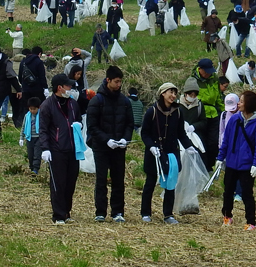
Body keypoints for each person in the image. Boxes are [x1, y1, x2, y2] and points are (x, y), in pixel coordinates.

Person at [140, 82, 195, 224]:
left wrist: (189, 147)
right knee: (150, 182)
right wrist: (151, 146)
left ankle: (168, 214)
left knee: (171, 183)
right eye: (170, 92)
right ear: (163, 93)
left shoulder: (177, 112)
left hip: (172, 153)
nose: (173, 95)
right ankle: (145, 212)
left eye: (175, 93)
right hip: (155, 153)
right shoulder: (151, 112)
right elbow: (144, 133)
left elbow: (181, 133)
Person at [86, 65, 134, 222]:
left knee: (118, 180)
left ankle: (117, 211)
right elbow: (92, 126)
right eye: (116, 81)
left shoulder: (125, 101)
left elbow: (129, 124)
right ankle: (100, 212)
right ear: (108, 80)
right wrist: (106, 139)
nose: (119, 85)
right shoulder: (96, 101)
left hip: (119, 148)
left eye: (120, 82)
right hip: (101, 147)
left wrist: (124, 139)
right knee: (101, 180)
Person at [216, 90, 256, 230]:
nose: (239, 104)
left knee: (246, 194)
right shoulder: (234, 119)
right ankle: (227, 216)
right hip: (232, 162)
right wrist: (221, 157)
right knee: (228, 191)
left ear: (248, 104)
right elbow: (226, 139)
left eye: (242, 101)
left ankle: (251, 222)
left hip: (247, 165)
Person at [39, 73, 82, 224]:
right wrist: (45, 148)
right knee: (58, 183)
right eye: (68, 86)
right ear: (60, 87)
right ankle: (58, 214)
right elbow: (43, 129)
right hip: (56, 150)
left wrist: (78, 126)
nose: (71, 88)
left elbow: (78, 119)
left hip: (72, 149)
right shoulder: (47, 105)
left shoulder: (72, 104)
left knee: (71, 182)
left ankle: (66, 211)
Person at [193, 58, 224, 169]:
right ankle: (202, 166)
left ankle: (211, 165)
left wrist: (224, 111)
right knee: (201, 141)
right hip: (200, 114)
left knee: (213, 141)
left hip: (214, 113)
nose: (208, 74)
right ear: (199, 69)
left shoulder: (214, 78)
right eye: (206, 71)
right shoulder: (192, 80)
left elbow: (219, 97)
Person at [21, 97, 42, 173]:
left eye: (34, 109)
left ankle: (36, 169)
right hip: (29, 138)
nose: (32, 111)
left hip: (39, 138)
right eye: (31, 109)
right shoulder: (27, 116)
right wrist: (21, 138)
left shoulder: (42, 115)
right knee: (30, 155)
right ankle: (31, 168)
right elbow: (23, 127)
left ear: (38, 108)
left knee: (37, 154)